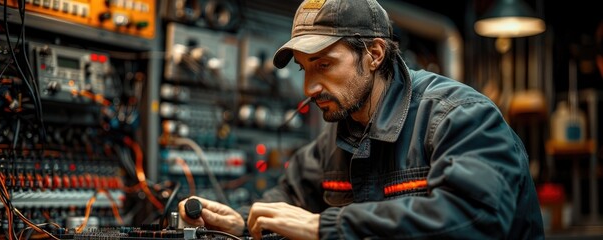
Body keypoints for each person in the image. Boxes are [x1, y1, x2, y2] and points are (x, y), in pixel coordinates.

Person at [178, 0, 544, 239]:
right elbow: (286, 201)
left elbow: (474, 219)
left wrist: (326, 227)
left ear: (373, 53)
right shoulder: (334, 141)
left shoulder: (458, 116)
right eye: (304, 69)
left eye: (324, 64)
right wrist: (243, 223)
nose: (309, 87)